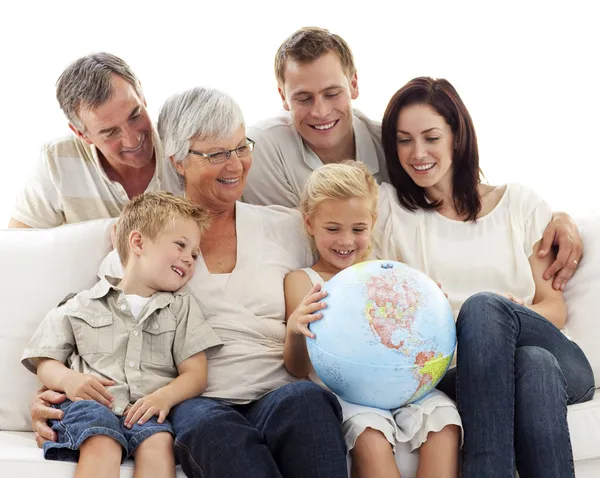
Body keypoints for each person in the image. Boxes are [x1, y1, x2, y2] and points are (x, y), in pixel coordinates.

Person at [30, 86, 348, 478]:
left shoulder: (287, 228)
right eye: (216, 154)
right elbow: (105, 325)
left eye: (240, 147)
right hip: (198, 399)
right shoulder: (144, 247)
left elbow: (342, 274)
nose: (235, 165)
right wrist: (58, 392)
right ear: (179, 162)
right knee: (210, 428)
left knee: (307, 401)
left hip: (277, 387)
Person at [243, 26, 582, 292]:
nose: (320, 111)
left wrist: (558, 217)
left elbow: (459, 188)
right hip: (312, 290)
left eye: (332, 93)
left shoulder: (394, 144)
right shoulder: (260, 152)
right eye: (303, 98)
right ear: (283, 98)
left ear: (354, 84)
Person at [376, 76, 595, 478]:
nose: (417, 153)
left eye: (431, 137)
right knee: (534, 366)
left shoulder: (519, 204)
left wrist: (504, 318)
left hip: (566, 364)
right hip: (458, 375)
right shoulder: (390, 211)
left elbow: (554, 308)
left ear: (457, 137)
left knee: (484, 311)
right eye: (404, 140)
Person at [21, 191, 222, 478]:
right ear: (138, 242)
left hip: (146, 410)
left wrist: (164, 397)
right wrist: (69, 380)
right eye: (180, 245)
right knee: (102, 441)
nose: (189, 260)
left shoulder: (182, 308)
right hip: (90, 406)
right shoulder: (82, 302)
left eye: (194, 254)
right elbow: (45, 360)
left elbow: (196, 374)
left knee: (159, 443)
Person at [284, 161, 461, 478]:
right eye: (333, 228)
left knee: (444, 424)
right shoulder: (303, 281)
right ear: (309, 223)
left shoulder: (391, 274)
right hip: (346, 391)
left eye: (358, 229)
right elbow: (297, 368)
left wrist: (429, 305)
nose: (346, 240)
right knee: (370, 437)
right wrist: (295, 329)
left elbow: (426, 338)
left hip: (408, 385)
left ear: (373, 222)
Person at [8, 52, 182, 229]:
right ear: (82, 134)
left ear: (141, 94)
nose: (133, 140)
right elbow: (19, 244)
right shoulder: (58, 159)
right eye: (110, 132)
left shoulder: (184, 144)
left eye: (135, 115)